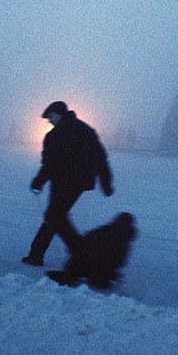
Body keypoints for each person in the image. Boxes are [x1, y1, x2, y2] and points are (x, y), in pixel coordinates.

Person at [22, 100, 114, 267]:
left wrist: (39, 181)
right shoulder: (86, 129)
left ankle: (81, 253)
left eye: (50, 117)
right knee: (55, 215)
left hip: (63, 181)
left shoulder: (55, 134)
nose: (49, 121)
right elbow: (101, 158)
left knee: (54, 216)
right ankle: (36, 254)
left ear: (58, 114)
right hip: (81, 182)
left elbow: (50, 162)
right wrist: (106, 183)